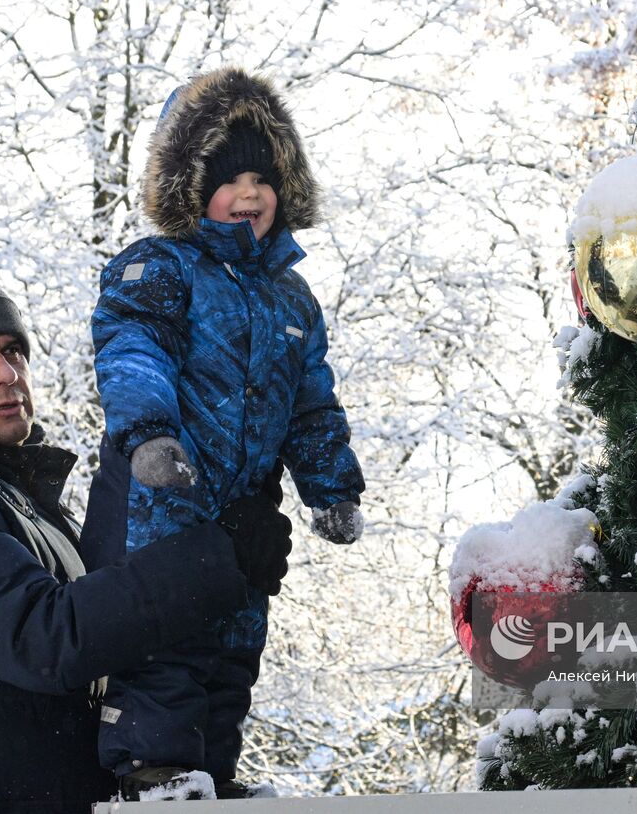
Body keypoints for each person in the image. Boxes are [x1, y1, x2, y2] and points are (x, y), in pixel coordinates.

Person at [0, 268, 294, 813]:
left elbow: (103, 631)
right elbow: (40, 638)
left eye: (13, 351)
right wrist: (218, 557)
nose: (6, 373)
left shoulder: (11, 498)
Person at [90, 65, 365, 797]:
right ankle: (153, 770)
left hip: (246, 513)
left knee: (234, 645)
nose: (249, 194)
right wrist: (150, 434)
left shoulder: (293, 299)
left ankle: (214, 773)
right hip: (162, 504)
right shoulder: (162, 268)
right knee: (164, 645)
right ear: (190, 189)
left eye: (263, 179)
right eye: (228, 179)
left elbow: (311, 402)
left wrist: (331, 487)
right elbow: (133, 349)